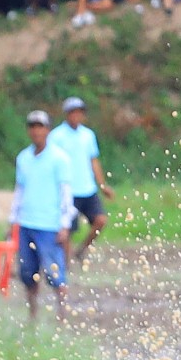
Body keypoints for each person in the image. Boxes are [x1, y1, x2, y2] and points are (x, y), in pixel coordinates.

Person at [10, 110, 74, 324]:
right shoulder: (24, 158)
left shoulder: (59, 159)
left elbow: (65, 193)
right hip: (27, 222)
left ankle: (62, 314)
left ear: (48, 130)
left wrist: (65, 224)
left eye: (41, 126)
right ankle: (33, 313)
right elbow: (20, 190)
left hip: (49, 224)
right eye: (33, 126)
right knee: (28, 272)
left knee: (54, 272)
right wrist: (13, 220)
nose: (37, 131)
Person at [51, 97, 111, 263]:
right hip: (69, 189)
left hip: (87, 188)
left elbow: (93, 160)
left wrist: (102, 185)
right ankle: (65, 265)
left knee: (100, 220)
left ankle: (82, 250)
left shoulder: (88, 135)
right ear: (67, 114)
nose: (76, 116)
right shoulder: (57, 136)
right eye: (73, 113)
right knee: (68, 229)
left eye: (79, 113)